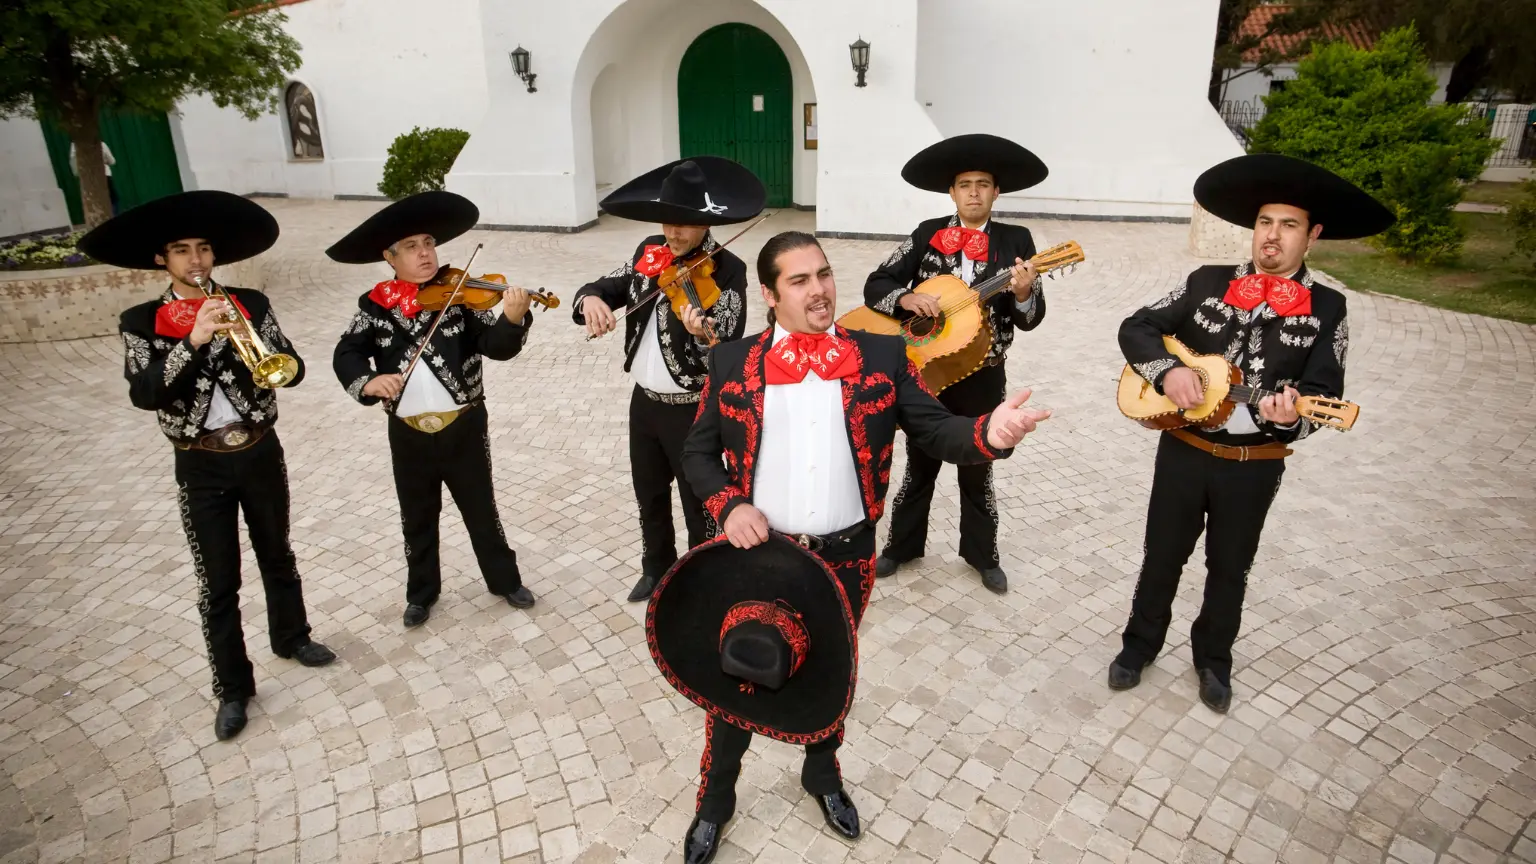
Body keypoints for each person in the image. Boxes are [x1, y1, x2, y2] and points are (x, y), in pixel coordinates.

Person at [676, 230, 1051, 862]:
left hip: (845, 554)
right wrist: (729, 505)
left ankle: (822, 777)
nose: (819, 290)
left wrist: (993, 431)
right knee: (735, 673)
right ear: (769, 294)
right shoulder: (731, 362)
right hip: (756, 554)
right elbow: (697, 452)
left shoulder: (881, 353)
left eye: (823, 274)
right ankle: (716, 800)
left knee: (832, 671)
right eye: (800, 281)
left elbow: (937, 430)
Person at [1108, 153, 1394, 713]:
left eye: (1289, 225)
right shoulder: (1207, 282)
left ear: (1311, 236)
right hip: (1184, 448)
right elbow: (1136, 326)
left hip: (1255, 461)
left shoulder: (1328, 308)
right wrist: (1168, 371)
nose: (1272, 236)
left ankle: (1214, 660)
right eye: (1265, 222)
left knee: (1230, 566)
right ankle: (1138, 646)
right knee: (1161, 554)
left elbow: (1322, 392)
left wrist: (1294, 418)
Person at [82, 190, 336, 742]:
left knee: (278, 552)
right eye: (181, 251)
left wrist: (279, 366)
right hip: (200, 464)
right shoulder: (141, 321)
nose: (195, 260)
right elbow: (145, 393)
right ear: (161, 260)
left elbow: (291, 365)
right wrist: (192, 340)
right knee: (217, 580)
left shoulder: (251, 302)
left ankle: (292, 638)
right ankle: (232, 688)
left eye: (202, 249)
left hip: (261, 449)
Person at [329, 191, 536, 629]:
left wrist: (512, 318)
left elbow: (495, 348)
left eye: (428, 242)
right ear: (390, 257)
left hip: (463, 424)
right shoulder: (375, 304)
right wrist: (366, 382)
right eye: (411, 246)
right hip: (407, 431)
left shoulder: (460, 294)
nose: (425, 253)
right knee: (417, 515)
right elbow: (346, 352)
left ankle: (504, 580)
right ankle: (421, 593)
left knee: (481, 508)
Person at [864, 133, 1050, 593]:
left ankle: (982, 555)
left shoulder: (1017, 240)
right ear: (952, 192)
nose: (973, 192)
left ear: (995, 192)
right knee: (920, 464)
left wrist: (1025, 292)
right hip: (927, 370)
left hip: (984, 373)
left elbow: (1030, 318)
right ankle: (901, 547)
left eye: (982, 184)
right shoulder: (927, 233)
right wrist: (907, 296)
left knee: (978, 465)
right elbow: (877, 282)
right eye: (964, 184)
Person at [572, 157, 759, 601]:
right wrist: (592, 301)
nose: (673, 233)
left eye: (683, 225)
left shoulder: (728, 268)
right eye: (667, 222)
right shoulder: (648, 252)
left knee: (700, 502)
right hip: (645, 403)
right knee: (649, 495)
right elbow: (606, 285)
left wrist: (700, 335)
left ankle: (703, 576)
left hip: (693, 408)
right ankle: (656, 567)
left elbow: (726, 344)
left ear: (703, 223)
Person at [70, 140, 119, 214]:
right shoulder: (100, 144)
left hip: (87, 177)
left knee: (94, 202)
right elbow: (112, 161)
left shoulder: (74, 146)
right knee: (112, 200)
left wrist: (78, 173)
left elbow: (73, 163)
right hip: (104, 175)